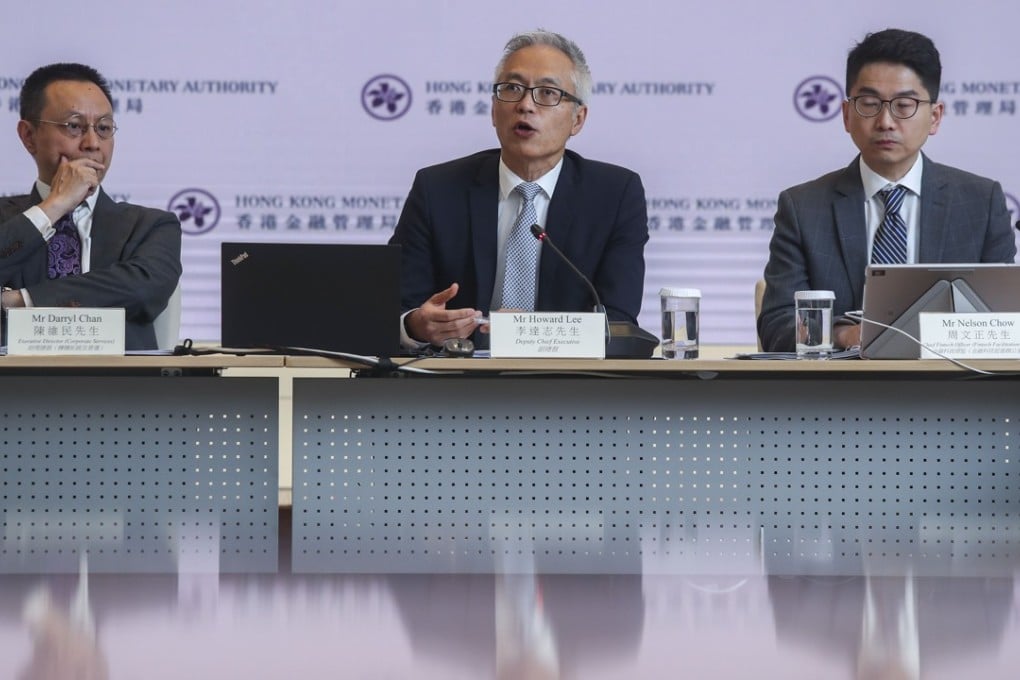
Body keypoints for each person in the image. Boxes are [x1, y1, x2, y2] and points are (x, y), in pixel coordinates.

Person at [757, 29, 1016, 352]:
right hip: (835, 393)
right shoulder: (803, 208)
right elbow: (776, 323)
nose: (886, 121)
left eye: (904, 105)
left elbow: (1006, 322)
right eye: (869, 104)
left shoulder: (980, 204)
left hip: (952, 389)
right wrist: (844, 336)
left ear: (934, 117)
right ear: (846, 115)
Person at [389, 30, 648, 348]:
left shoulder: (615, 195)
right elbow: (394, 309)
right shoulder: (438, 190)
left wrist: (527, 331)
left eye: (548, 93)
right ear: (493, 110)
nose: (525, 105)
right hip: (454, 382)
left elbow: (618, 322)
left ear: (577, 120)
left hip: (569, 385)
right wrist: (416, 326)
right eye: (512, 89)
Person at [0, 63, 182, 351]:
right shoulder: (7, 220)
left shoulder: (150, 226)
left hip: (118, 388)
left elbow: (143, 289)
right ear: (28, 136)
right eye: (74, 126)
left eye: (104, 128)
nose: (93, 143)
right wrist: (55, 206)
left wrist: (19, 301)